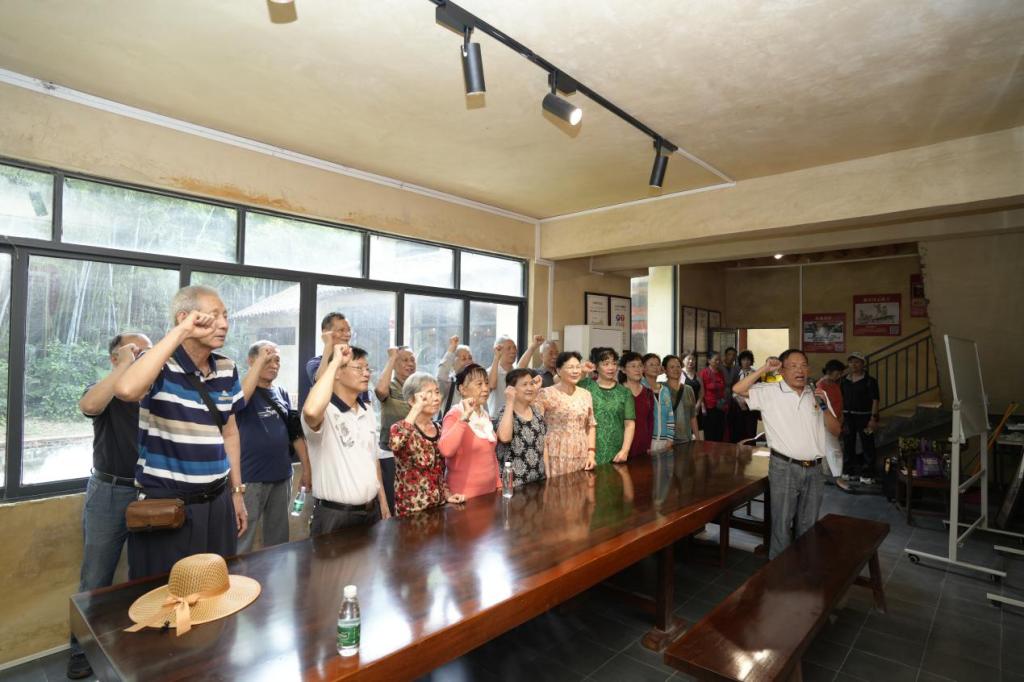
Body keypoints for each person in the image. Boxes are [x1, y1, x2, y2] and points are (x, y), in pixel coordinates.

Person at [113, 285, 247, 581]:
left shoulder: (227, 368)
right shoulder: (158, 363)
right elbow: (126, 389)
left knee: (216, 588)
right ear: (185, 318)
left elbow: (230, 433)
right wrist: (181, 331)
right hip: (168, 505)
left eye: (225, 316)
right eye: (213, 316)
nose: (224, 324)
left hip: (218, 502)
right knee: (164, 594)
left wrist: (237, 492)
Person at [67, 332, 152, 680]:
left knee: (147, 573)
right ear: (114, 357)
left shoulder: (156, 393)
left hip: (152, 493)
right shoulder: (106, 389)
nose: (142, 355)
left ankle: (142, 644)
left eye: (147, 351)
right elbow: (89, 406)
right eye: (134, 350)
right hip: (110, 492)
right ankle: (80, 651)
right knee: (96, 576)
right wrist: (124, 366)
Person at [733, 349, 842, 558]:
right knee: (782, 524)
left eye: (803, 365)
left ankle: (803, 568)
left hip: (815, 470)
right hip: (784, 467)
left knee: (808, 525)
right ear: (782, 371)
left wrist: (824, 408)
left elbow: (836, 430)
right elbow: (738, 389)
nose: (800, 370)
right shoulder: (770, 391)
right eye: (793, 366)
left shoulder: (817, 394)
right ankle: (779, 572)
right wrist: (765, 368)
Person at [302, 344, 390, 535]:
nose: (366, 373)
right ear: (338, 373)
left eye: (367, 368)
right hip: (335, 515)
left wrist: (383, 502)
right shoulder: (325, 410)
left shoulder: (367, 410)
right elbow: (311, 412)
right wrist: (334, 363)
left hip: (371, 511)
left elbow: (373, 460)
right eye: (359, 368)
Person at [236, 340, 311, 554]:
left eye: (277, 360)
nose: (274, 364)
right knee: (243, 536)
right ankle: (239, 576)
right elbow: (239, 400)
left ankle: (276, 574)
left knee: (278, 538)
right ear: (252, 361)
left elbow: (295, 434)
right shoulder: (242, 391)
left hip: (281, 475)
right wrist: (260, 361)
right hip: (250, 477)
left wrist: (307, 468)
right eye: (267, 359)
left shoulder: (282, 393)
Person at [389, 372, 465, 516]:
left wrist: (448, 495)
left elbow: (439, 471)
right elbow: (395, 445)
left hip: (438, 507)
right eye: (428, 393)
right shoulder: (399, 428)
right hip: (411, 511)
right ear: (412, 400)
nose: (436, 398)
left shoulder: (439, 428)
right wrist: (416, 409)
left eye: (436, 392)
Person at [439, 364, 502, 499]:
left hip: (490, 492)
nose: (485, 388)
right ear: (463, 389)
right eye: (479, 384)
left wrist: (498, 483)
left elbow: (491, 454)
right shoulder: (454, 415)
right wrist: (464, 418)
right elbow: (446, 450)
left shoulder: (484, 415)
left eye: (486, 383)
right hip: (464, 495)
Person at [536, 351, 597, 476]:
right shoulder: (546, 394)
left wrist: (591, 453)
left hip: (581, 451)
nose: (575, 371)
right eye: (570, 367)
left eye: (577, 367)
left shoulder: (586, 394)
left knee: (580, 486)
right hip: (555, 452)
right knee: (557, 487)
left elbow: (591, 425)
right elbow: (536, 426)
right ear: (559, 371)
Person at [375, 345, 417, 513]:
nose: (410, 364)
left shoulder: (418, 387)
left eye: (412, 360)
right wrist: (392, 358)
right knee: (394, 505)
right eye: (404, 360)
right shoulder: (390, 386)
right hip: (391, 455)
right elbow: (380, 391)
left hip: (414, 453)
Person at [580, 348, 635, 465]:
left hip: (616, 451)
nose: (611, 368)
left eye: (614, 363)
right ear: (596, 366)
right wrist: (582, 370)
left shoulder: (624, 392)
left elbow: (629, 424)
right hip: (588, 449)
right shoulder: (586, 386)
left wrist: (625, 450)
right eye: (606, 364)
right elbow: (559, 381)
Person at [495, 368, 547, 487]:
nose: (530, 388)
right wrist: (510, 401)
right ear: (512, 389)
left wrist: (548, 475)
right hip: (513, 486)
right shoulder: (505, 412)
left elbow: (544, 446)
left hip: (539, 481)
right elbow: (504, 437)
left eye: (531, 384)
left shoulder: (537, 412)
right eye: (524, 384)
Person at [841, 351, 880, 484]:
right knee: (848, 444)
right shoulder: (844, 380)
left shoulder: (870, 381)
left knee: (868, 445)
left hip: (865, 418)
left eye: (857, 362)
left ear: (863, 364)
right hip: (848, 417)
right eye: (851, 362)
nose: (853, 365)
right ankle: (848, 471)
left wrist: (873, 418)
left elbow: (875, 400)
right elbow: (841, 399)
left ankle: (867, 474)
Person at [819, 359, 849, 492]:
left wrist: (841, 417)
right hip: (826, 421)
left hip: (836, 420)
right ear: (829, 371)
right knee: (835, 450)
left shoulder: (835, 384)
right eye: (838, 373)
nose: (839, 375)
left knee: (828, 450)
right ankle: (838, 478)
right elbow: (821, 406)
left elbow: (839, 403)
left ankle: (826, 475)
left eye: (841, 373)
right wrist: (831, 421)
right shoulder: (820, 386)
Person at [304, 311, 352, 390]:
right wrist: (328, 344)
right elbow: (321, 382)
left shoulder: (356, 360)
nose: (347, 334)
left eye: (349, 330)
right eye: (341, 330)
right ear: (326, 333)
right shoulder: (314, 363)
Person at [620, 352, 654, 458]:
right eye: (633, 366)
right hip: (621, 445)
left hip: (642, 445)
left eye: (640, 366)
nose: (638, 369)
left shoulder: (648, 393)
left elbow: (650, 420)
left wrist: (648, 444)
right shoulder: (617, 392)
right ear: (623, 369)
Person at [663, 354, 699, 446]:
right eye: (672, 367)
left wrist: (698, 438)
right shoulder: (661, 388)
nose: (676, 369)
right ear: (665, 370)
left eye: (678, 366)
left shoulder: (688, 389)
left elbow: (693, 416)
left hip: (686, 438)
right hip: (667, 441)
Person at [641, 353, 674, 453]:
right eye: (651, 364)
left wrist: (670, 439)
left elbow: (670, 415)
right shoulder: (640, 388)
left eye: (657, 364)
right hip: (646, 440)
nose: (655, 367)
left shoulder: (665, 390)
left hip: (665, 440)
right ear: (643, 368)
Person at [437, 335, 473, 412]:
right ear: (453, 364)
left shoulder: (478, 384)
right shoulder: (449, 384)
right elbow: (441, 376)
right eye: (463, 359)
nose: (468, 362)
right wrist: (451, 349)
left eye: (470, 358)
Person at [732, 350, 760, 443]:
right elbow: (732, 388)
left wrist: (746, 400)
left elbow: (757, 389)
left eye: (748, 360)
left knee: (750, 431)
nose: (746, 362)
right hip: (737, 406)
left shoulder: (756, 374)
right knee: (738, 430)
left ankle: (750, 450)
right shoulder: (736, 373)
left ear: (751, 361)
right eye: (743, 360)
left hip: (751, 406)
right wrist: (738, 399)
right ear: (740, 361)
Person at [487, 335, 518, 418]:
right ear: (499, 351)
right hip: (495, 418)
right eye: (509, 348)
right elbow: (491, 385)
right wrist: (497, 357)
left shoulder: (516, 372)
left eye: (514, 348)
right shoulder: (490, 371)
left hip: (514, 418)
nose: (513, 351)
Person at [700, 351, 728, 441]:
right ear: (709, 360)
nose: (718, 362)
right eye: (716, 360)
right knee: (710, 433)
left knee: (720, 432)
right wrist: (702, 406)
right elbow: (701, 391)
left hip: (720, 406)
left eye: (719, 360)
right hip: (709, 407)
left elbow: (723, 388)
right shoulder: (704, 373)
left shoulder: (721, 373)